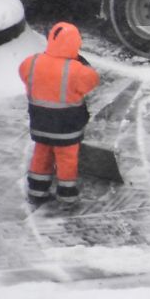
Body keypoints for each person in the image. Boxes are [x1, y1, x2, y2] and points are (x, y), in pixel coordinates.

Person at [18, 21, 101, 204]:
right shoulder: (76, 70)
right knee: (67, 160)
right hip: (67, 127)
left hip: (40, 124)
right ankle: (67, 194)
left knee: (41, 155)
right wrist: (81, 62)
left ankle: (37, 192)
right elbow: (92, 81)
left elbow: (23, 72)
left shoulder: (32, 62)